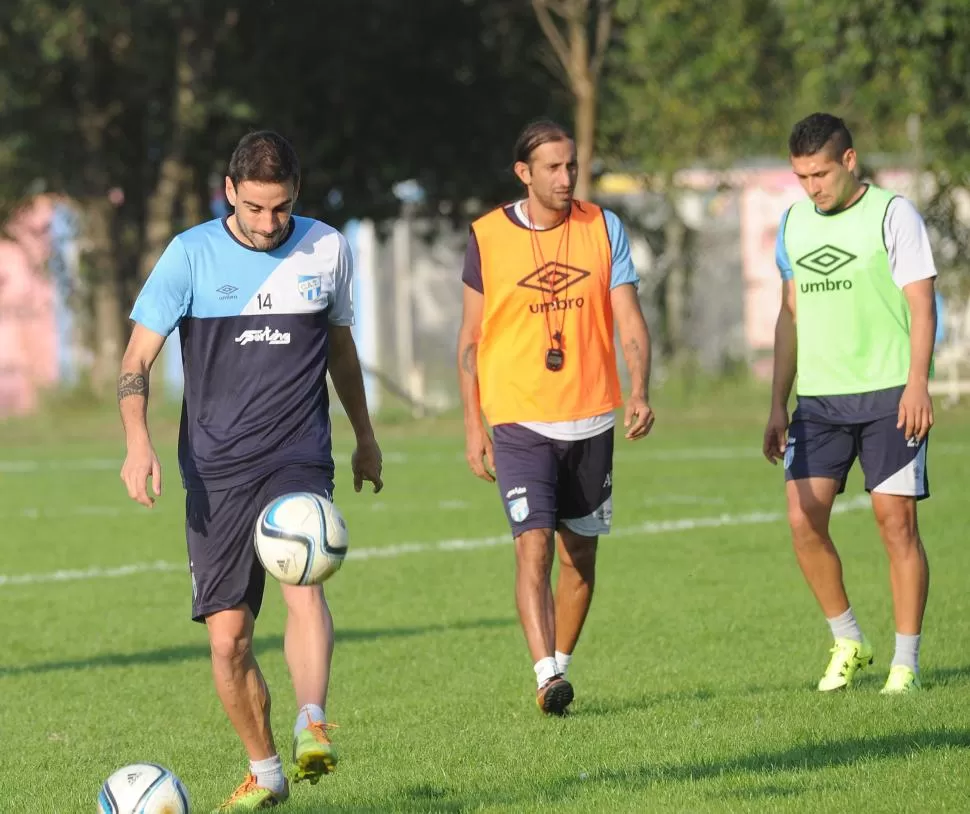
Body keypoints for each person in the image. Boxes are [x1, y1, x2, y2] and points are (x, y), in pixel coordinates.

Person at [118, 130, 383, 811]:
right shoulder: (189, 255)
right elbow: (135, 361)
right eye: (257, 208)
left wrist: (365, 436)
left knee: (305, 577)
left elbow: (342, 351)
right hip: (214, 469)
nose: (270, 224)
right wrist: (137, 444)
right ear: (229, 191)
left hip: (297, 453)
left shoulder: (326, 246)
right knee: (228, 642)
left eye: (283, 208)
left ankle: (312, 721)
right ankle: (265, 771)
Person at [457, 119, 654, 716]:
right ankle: (545, 673)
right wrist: (473, 422)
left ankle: (559, 669)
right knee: (533, 545)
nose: (566, 177)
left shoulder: (604, 227)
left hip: (592, 414)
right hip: (518, 417)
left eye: (571, 166)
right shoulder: (488, 236)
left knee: (580, 560)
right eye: (553, 167)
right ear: (524, 173)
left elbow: (630, 319)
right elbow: (469, 339)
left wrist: (639, 389)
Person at [763, 112, 937, 695]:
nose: (812, 187)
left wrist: (917, 381)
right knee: (801, 519)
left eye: (819, 174)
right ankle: (848, 639)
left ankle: (905, 663)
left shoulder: (894, 215)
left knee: (896, 524)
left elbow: (921, 305)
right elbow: (788, 316)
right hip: (819, 400)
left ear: (849, 161)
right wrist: (775, 403)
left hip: (891, 393)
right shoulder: (792, 223)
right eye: (800, 176)